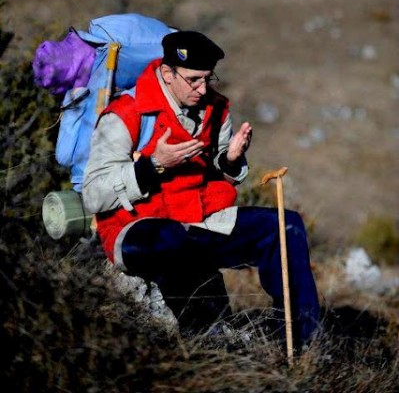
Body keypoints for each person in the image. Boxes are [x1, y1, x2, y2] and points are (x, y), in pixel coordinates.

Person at [82, 30, 320, 346]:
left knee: (285, 225)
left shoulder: (216, 108)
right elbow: (93, 194)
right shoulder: (126, 114)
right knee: (173, 241)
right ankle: (209, 341)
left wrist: (232, 160)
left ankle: (300, 339)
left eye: (208, 78)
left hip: (199, 219)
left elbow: (221, 176)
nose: (202, 88)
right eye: (193, 79)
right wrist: (152, 165)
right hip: (136, 230)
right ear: (167, 73)